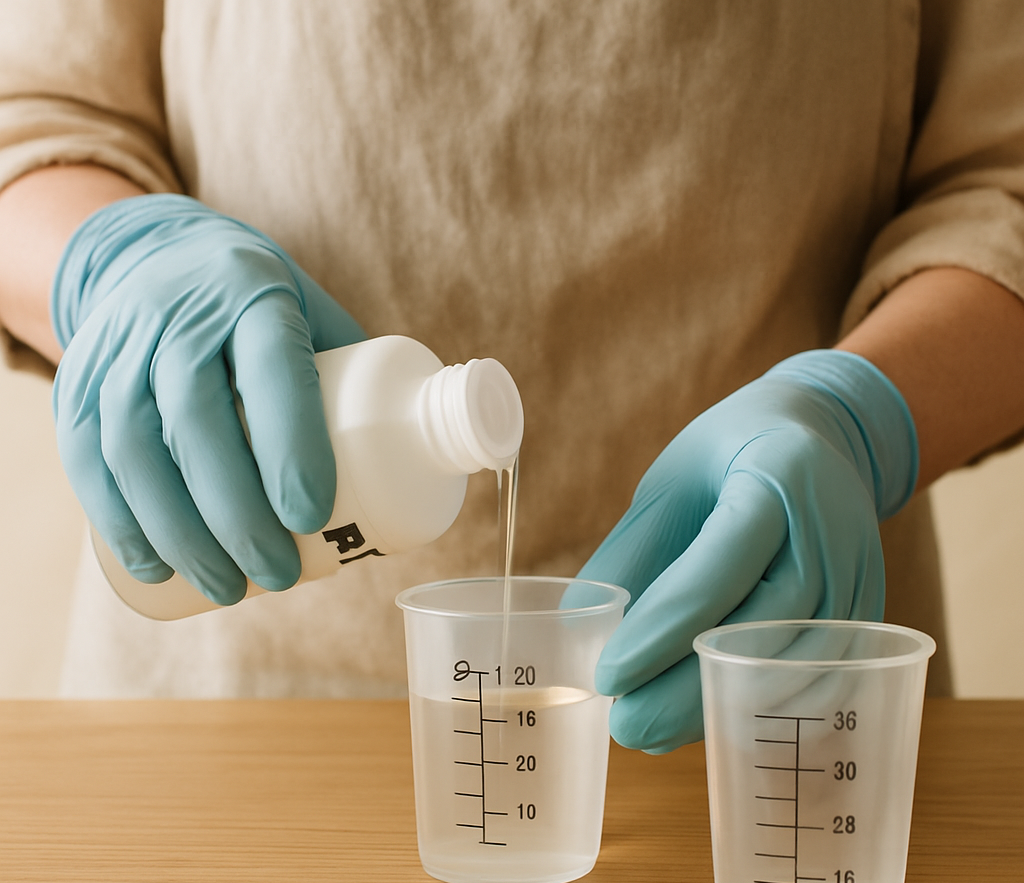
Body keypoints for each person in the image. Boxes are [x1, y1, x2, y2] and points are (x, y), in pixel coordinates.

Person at [1, 2, 1023, 751]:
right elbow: (31, 115)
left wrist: (861, 418)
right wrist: (115, 260)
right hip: (229, 717)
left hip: (779, 706)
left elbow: (1002, 177)